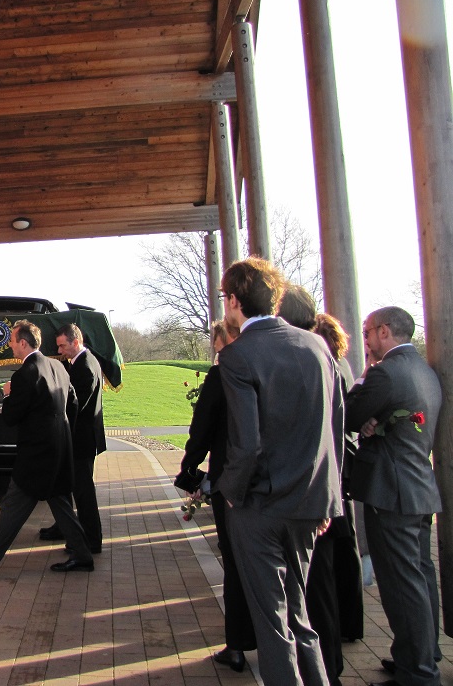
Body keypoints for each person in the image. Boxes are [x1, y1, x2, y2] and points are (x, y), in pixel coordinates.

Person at [217, 258, 345, 686]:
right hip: (311, 502)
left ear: (235, 300)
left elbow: (247, 442)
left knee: (273, 625)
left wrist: (231, 493)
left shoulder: (238, 355)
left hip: (261, 505)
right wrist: (330, 496)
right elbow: (336, 428)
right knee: (299, 614)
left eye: (225, 298)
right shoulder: (318, 348)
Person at [345, 307, 442, 686]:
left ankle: (418, 673)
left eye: (368, 332)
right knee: (420, 577)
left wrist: (363, 392)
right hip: (419, 487)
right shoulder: (424, 371)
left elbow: (349, 415)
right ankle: (420, 654)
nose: (366, 341)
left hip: (392, 492)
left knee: (402, 584)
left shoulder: (384, 372)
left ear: (384, 331)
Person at [0, 320, 94, 579]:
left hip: (36, 456)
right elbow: (73, 405)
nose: (9, 345)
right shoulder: (58, 367)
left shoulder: (24, 375)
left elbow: (10, 417)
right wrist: (63, 434)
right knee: (61, 504)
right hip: (60, 449)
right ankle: (83, 555)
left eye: (12, 341)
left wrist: (8, 394)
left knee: (12, 505)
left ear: (23, 343)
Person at [276, 285, 357, 686]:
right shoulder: (326, 355)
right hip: (325, 491)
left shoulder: (312, 356)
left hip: (317, 493)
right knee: (317, 585)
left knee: (317, 589)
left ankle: (329, 669)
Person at [175, 319, 255, 673]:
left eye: (216, 341)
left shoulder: (220, 377)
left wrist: (190, 470)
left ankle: (237, 643)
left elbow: (202, 429)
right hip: (277, 483)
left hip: (232, 481)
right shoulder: (274, 366)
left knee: (236, 562)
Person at [312, 312, 365, 644]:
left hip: (335, 464)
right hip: (343, 463)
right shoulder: (341, 363)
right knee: (346, 549)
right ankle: (350, 623)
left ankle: (339, 625)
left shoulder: (329, 366)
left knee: (333, 554)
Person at [38, 323, 106, 553]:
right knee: (66, 486)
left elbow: (74, 406)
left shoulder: (85, 367)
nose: (60, 351)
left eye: (63, 346)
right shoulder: (83, 362)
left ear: (76, 342)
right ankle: (65, 527)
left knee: (83, 493)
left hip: (81, 440)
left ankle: (92, 539)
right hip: (79, 438)